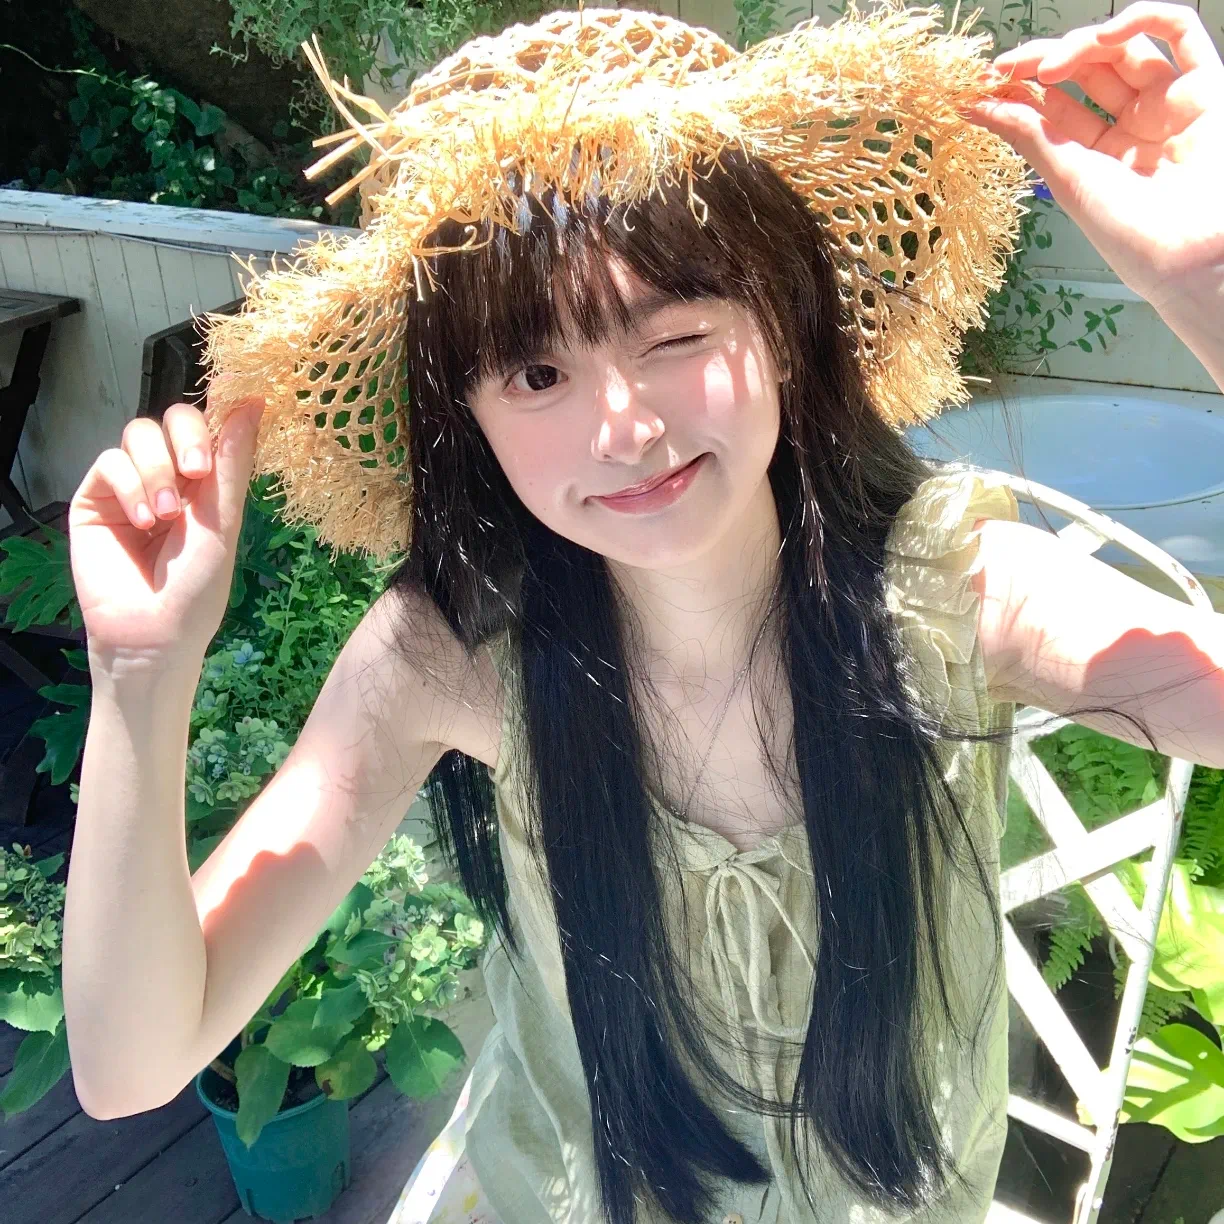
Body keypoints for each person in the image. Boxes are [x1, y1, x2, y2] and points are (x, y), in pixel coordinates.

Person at [61, 3, 1224, 1223]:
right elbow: (133, 1063)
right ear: (469, 418)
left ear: (784, 328)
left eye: (674, 334)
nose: (623, 428)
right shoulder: (454, 654)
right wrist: (140, 674)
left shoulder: (950, 591)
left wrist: (1205, 282)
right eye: (538, 373)